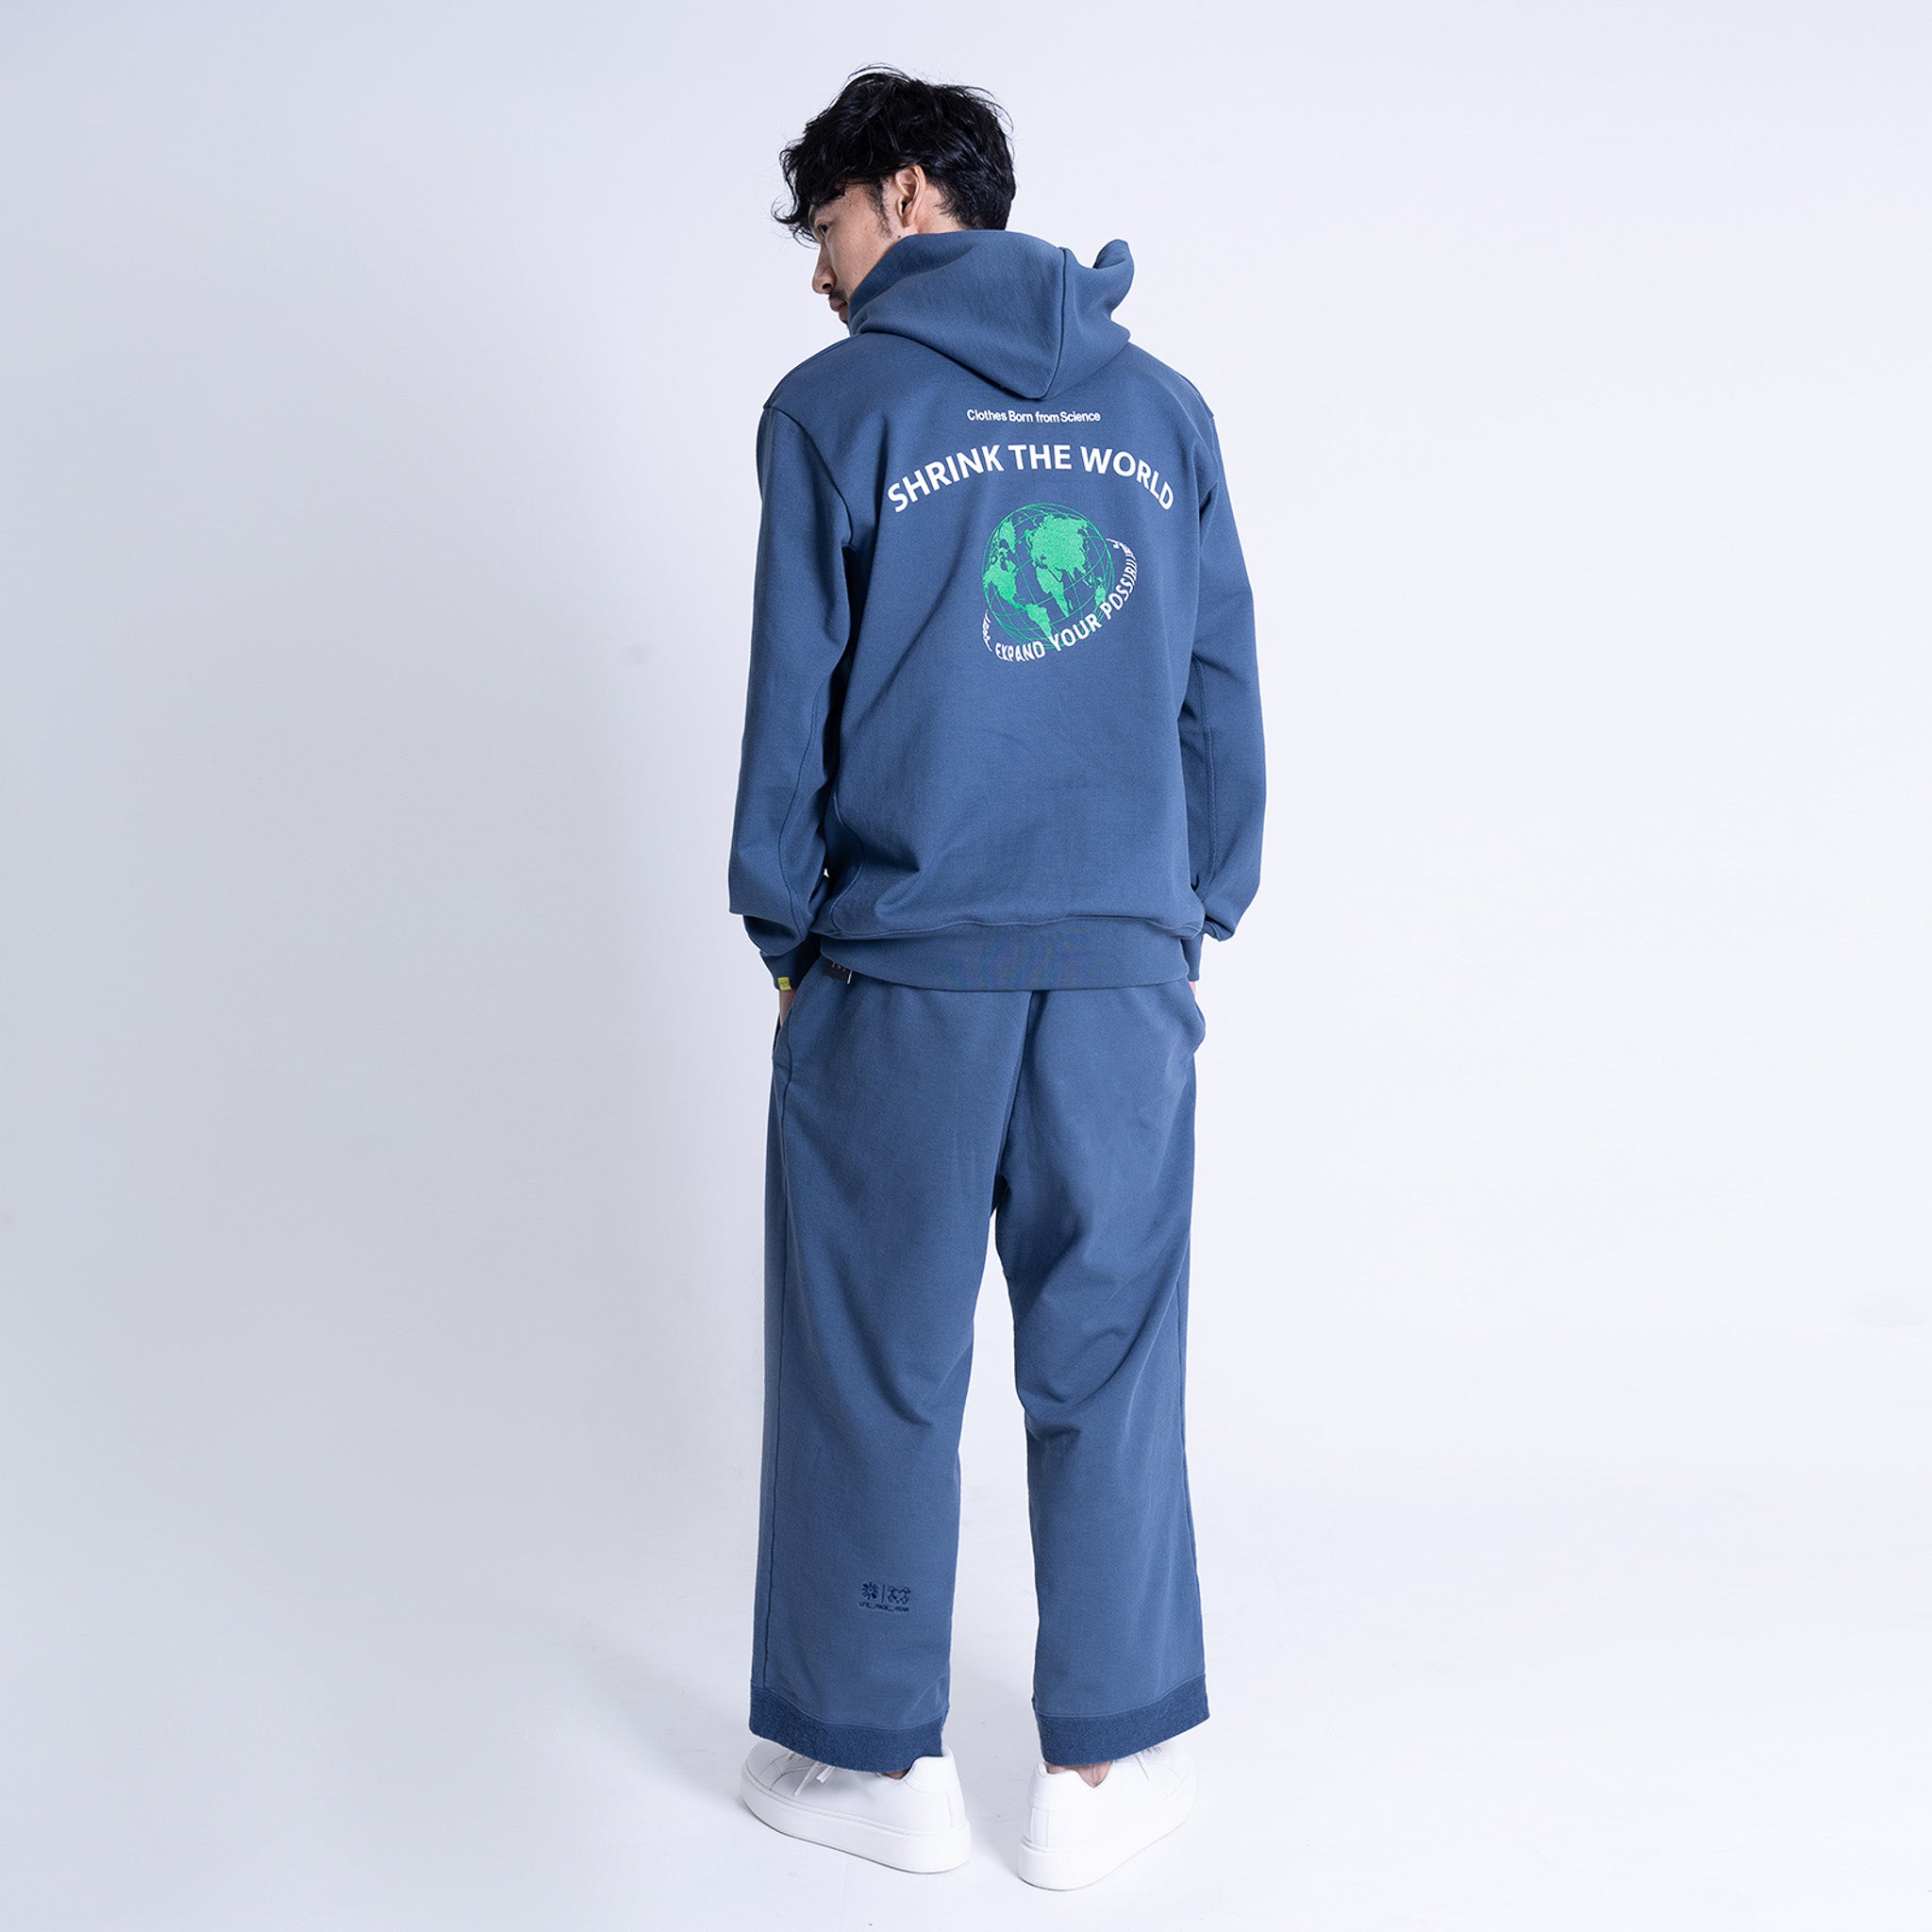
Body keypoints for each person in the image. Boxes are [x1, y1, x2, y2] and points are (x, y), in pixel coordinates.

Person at [725, 67, 1265, 1890]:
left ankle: (879, 1765)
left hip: (901, 962)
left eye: (825, 227)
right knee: (1108, 1350)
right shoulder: (1162, 410)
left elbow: (793, 699)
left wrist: (785, 922)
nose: (818, 272)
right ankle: (1094, 1778)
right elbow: (1218, 684)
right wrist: (1188, 903)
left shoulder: (835, 408)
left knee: (873, 1355)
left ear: (902, 194)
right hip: (1119, 961)